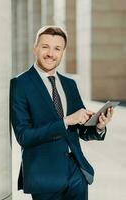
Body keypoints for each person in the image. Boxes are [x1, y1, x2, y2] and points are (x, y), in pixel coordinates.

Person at [10, 26, 113, 200]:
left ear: (63, 52)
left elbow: (81, 130)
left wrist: (98, 126)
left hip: (76, 173)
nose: (51, 53)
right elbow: (24, 136)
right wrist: (65, 121)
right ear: (35, 47)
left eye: (57, 48)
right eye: (45, 47)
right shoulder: (20, 84)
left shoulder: (69, 84)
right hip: (44, 177)